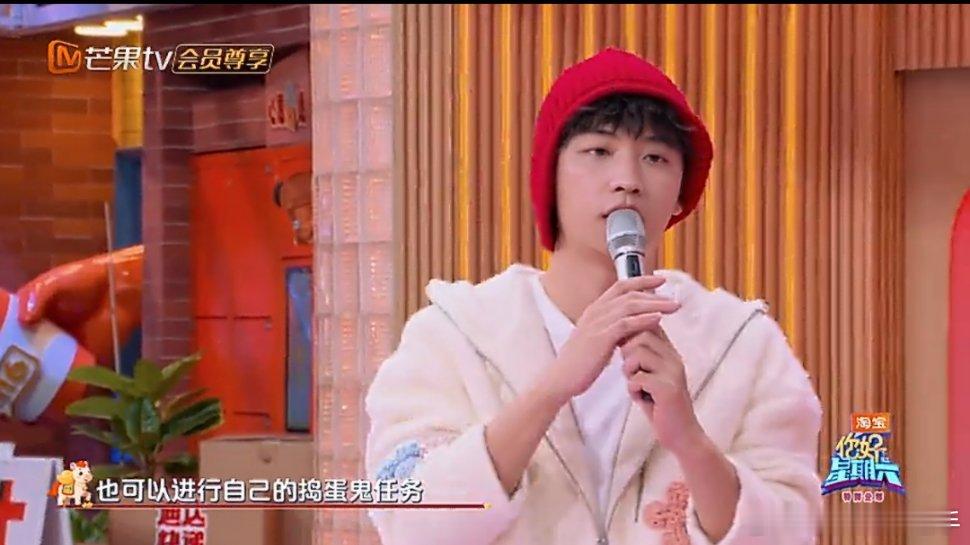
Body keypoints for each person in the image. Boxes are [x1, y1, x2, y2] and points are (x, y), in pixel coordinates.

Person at [364, 47, 823, 545]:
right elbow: (406, 517)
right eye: (598, 151)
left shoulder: (742, 343)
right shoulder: (453, 335)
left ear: (680, 193)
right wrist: (553, 386)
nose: (627, 181)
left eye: (655, 158)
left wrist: (689, 440)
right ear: (550, 176)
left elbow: (792, 528)